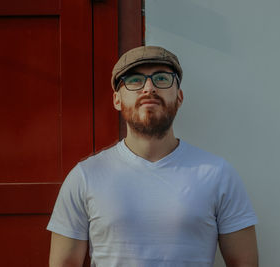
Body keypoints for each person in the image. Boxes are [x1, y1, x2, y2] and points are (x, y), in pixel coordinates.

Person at [47, 46, 258, 267]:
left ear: (179, 97)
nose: (149, 88)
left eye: (161, 78)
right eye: (135, 80)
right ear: (117, 100)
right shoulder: (85, 176)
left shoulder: (218, 174)